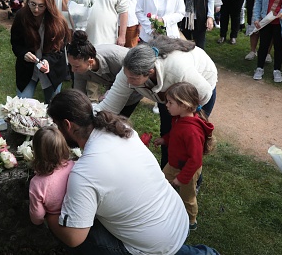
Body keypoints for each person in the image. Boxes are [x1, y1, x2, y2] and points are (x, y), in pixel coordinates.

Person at [46, 89, 221, 255]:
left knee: (85, 235)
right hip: (176, 217)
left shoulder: (83, 174)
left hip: (158, 243)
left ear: (67, 125)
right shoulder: (119, 128)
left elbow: (74, 238)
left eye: (56, 125)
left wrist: (49, 213)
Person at [96, 37, 217, 168]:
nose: (128, 81)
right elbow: (109, 106)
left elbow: (204, 93)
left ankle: (190, 181)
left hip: (198, 91)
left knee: (186, 139)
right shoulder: (129, 71)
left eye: (133, 78)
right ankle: (168, 177)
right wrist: (89, 119)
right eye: (127, 76)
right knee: (167, 134)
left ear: (150, 72)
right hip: (171, 96)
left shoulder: (179, 71)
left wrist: (186, 113)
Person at [154, 82, 215, 231]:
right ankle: (164, 209)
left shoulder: (192, 131)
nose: (166, 105)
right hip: (173, 164)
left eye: (170, 102)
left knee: (187, 197)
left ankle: (190, 221)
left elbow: (195, 160)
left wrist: (181, 178)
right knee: (161, 184)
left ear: (185, 105)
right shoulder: (179, 119)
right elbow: (176, 135)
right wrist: (165, 139)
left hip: (187, 170)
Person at [10, 0, 71, 104]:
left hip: (52, 70)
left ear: (48, 5)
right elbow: (15, 43)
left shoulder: (57, 21)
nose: (36, 9)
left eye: (41, 6)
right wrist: (24, 54)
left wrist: (47, 61)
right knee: (22, 105)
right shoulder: (21, 16)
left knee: (53, 106)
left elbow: (58, 49)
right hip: (28, 70)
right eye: (32, 4)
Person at [67, 30, 143, 117]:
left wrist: (108, 96)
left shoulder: (118, 61)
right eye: (71, 65)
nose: (73, 70)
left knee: (119, 119)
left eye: (76, 66)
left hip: (134, 85)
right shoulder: (79, 67)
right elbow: (79, 95)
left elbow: (130, 84)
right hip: (113, 85)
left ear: (90, 62)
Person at [29, 126, 75, 226]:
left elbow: (37, 216)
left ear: (36, 152)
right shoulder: (74, 166)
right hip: (78, 215)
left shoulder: (37, 184)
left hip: (59, 223)